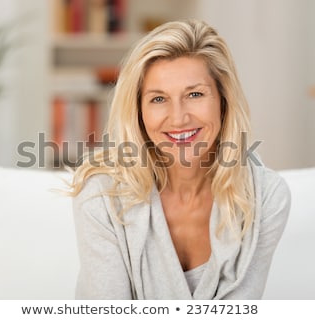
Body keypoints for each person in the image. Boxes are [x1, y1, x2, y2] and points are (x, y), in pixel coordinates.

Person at [68, 20, 291, 299]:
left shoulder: (266, 197)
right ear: (138, 111)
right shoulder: (100, 193)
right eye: (158, 99)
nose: (178, 117)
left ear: (223, 101)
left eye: (195, 94)